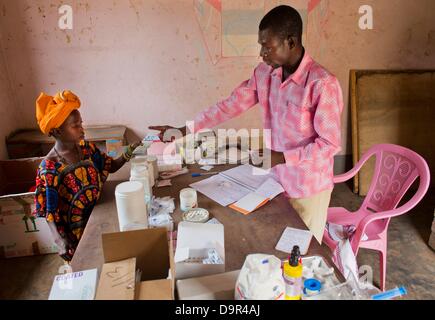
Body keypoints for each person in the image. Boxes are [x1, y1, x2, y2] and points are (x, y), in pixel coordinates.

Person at [150, 5, 343, 243]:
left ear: (290, 42)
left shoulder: (322, 84)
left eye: (267, 46)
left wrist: (283, 157)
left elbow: (329, 145)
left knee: (301, 251)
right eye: (261, 45)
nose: (262, 53)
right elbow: (229, 105)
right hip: (275, 180)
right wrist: (185, 129)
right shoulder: (265, 73)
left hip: (307, 187)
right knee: (276, 244)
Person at [33, 90, 141, 261]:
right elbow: (49, 213)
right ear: (58, 131)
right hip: (77, 236)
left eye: (81, 123)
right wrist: (59, 240)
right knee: (90, 268)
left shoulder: (86, 149)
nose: (82, 129)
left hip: (101, 218)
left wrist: (128, 153)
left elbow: (110, 166)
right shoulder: (50, 169)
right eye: (75, 126)